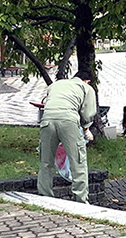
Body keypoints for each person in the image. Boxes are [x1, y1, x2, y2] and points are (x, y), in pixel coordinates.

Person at [38, 68, 97, 203]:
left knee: (45, 161)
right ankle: (81, 200)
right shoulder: (86, 88)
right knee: (78, 162)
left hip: (47, 120)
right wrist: (86, 129)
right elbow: (88, 113)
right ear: (87, 81)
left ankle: (45, 197)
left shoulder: (55, 85)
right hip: (68, 121)